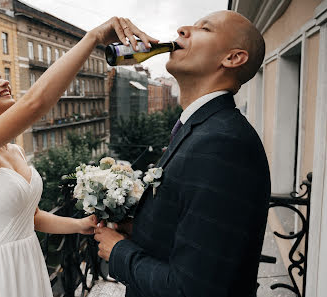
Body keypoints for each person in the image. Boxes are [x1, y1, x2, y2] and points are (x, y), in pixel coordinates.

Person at [0, 17, 157, 297]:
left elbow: (32, 216)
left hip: (26, 263)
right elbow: (35, 103)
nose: (3, 82)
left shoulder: (14, 150)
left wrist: (81, 225)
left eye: (1, 75)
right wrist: (93, 38)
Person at [94, 10, 270, 297]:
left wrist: (119, 252)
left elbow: (193, 289)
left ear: (233, 58)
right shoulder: (203, 128)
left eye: (205, 28)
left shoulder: (223, 143)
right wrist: (138, 230)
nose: (182, 30)